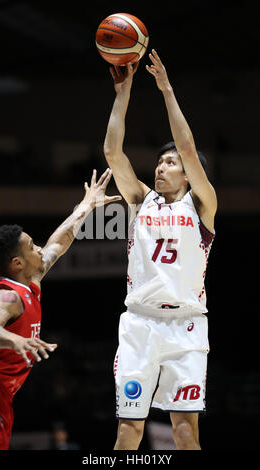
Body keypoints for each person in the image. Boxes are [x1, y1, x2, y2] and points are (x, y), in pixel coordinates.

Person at [103, 50, 217, 450]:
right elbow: (113, 154)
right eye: (159, 162)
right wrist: (124, 92)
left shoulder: (201, 204)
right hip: (139, 327)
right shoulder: (140, 200)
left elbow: (188, 147)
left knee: (185, 432)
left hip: (185, 328)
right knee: (128, 430)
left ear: (188, 174)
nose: (161, 167)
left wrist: (166, 89)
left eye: (170, 163)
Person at [0, 168, 120, 450]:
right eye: (32, 246)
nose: (40, 248)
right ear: (17, 263)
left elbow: (59, 242)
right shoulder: (8, 297)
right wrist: (16, 339)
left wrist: (86, 206)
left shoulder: (28, 279)